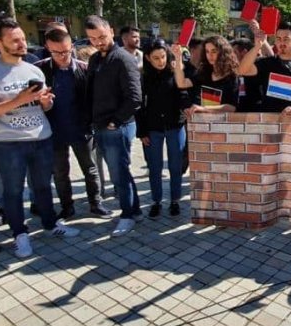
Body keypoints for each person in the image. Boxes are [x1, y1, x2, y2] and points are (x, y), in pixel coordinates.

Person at [0, 17, 79, 258]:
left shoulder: (33, 69)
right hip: (8, 142)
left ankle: (50, 224)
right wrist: (18, 100)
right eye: (15, 40)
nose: (23, 44)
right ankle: (20, 234)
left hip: (41, 137)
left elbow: (44, 107)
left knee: (42, 186)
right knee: (13, 191)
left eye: (22, 38)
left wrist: (45, 102)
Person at [36, 28, 111, 220]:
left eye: (66, 51)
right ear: (48, 48)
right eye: (56, 52)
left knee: (90, 169)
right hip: (53, 132)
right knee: (60, 173)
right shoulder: (40, 70)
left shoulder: (84, 69)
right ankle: (67, 207)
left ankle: (95, 204)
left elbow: (95, 99)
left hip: (81, 129)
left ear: (72, 46)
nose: (62, 56)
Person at [85, 16, 143, 236]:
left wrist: (115, 121)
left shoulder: (122, 58)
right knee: (120, 172)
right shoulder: (96, 59)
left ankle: (127, 215)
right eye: (92, 38)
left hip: (117, 127)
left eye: (101, 36)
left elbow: (135, 97)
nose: (98, 42)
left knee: (118, 174)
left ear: (111, 30)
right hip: (101, 125)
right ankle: (135, 210)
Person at [136, 42, 190, 218]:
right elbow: (139, 105)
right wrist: (142, 131)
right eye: (156, 58)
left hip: (175, 126)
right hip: (152, 128)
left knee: (176, 167)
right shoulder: (143, 76)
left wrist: (186, 109)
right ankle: (156, 201)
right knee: (155, 167)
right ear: (147, 58)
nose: (160, 61)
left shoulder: (175, 72)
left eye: (163, 57)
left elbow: (183, 94)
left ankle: (175, 200)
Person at [237, 21, 291, 116]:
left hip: (289, 123)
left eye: (286, 39)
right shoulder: (267, 63)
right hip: (267, 122)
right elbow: (242, 70)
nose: (282, 43)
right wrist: (257, 47)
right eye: (278, 39)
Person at [174, 35, 239, 116]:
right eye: (207, 51)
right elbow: (181, 83)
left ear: (223, 52)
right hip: (202, 124)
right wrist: (178, 57)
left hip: (223, 125)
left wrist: (203, 108)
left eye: (214, 51)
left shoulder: (232, 76)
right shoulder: (204, 72)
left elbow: (231, 108)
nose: (210, 55)